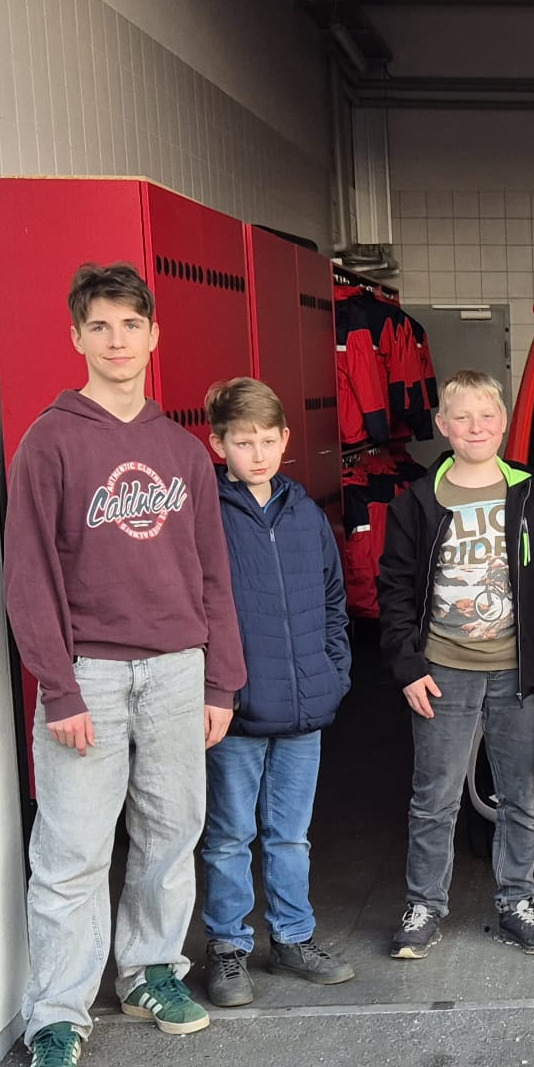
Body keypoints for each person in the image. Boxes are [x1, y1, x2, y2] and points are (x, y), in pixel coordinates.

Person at [2, 262, 245, 1067]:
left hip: (178, 668)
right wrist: (58, 687)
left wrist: (222, 680)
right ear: (76, 337)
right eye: (100, 326)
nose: (116, 340)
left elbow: (213, 572)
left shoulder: (181, 450)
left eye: (130, 325)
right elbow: (29, 576)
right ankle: (57, 1018)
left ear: (153, 336)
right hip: (91, 673)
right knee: (72, 850)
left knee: (171, 831)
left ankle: (150, 971)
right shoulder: (51, 441)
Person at [378, 371, 534, 959]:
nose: (475, 427)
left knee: (521, 796)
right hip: (442, 670)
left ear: (503, 421)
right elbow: (394, 588)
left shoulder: (531, 494)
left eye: (486, 416)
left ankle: (517, 904)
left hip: (516, 672)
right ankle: (424, 907)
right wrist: (408, 665)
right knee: (434, 798)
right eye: (461, 417)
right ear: (442, 425)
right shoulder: (417, 500)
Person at [197, 378, 355, 1009]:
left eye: (267, 440)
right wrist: (216, 688)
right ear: (218, 445)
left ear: (286, 439)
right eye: (243, 442)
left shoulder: (304, 512)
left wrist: (333, 672)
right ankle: (228, 947)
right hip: (236, 710)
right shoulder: (206, 513)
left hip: (303, 707)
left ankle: (292, 938)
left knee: (291, 834)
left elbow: (334, 599)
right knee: (229, 836)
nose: (257, 454)